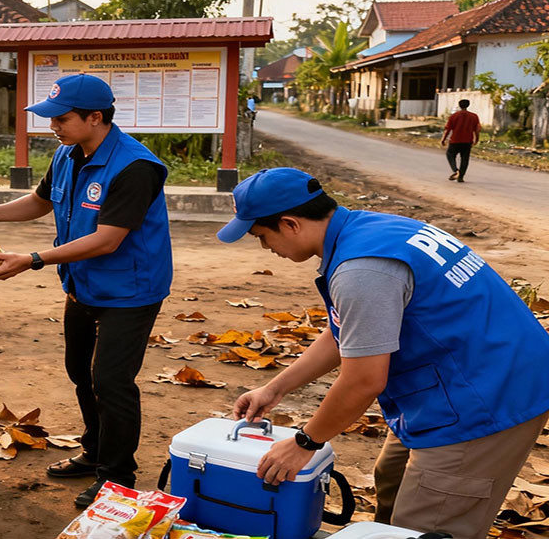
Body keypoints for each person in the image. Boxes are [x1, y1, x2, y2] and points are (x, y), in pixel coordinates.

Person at [218, 167, 549, 539]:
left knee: (429, 524)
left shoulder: (363, 270)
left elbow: (363, 381)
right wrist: (275, 389)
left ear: (290, 224)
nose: (266, 248)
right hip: (472, 367)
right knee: (391, 478)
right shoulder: (373, 229)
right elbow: (348, 330)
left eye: (262, 236)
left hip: (487, 396)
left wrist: (304, 443)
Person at [0, 73, 172, 508]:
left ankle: (118, 477)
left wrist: (32, 259)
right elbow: (41, 201)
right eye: (49, 117)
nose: (52, 125)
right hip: (82, 286)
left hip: (130, 291)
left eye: (62, 118)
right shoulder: (67, 153)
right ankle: (94, 452)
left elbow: (108, 238)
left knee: (111, 382)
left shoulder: (135, 167)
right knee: (81, 373)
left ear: (96, 117)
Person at [442, 99, 480, 182]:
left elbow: (447, 129)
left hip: (455, 140)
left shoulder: (454, 116)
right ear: (468, 105)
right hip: (467, 141)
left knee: (450, 155)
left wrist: (443, 139)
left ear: (459, 105)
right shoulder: (474, 116)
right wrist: (476, 139)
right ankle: (461, 177)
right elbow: (477, 130)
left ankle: (456, 171)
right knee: (465, 159)